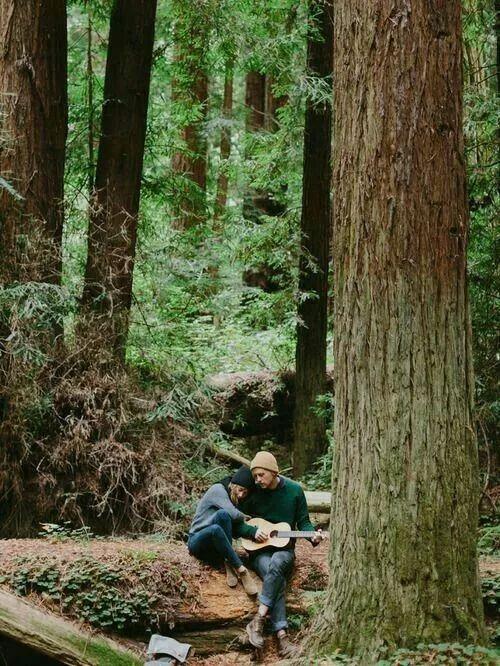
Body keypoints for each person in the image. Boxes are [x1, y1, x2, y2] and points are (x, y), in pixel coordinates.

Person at [240, 451, 322, 658]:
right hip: (258, 552)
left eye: (261, 475)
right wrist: (252, 532)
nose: (257, 480)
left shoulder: (294, 491)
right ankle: (283, 637)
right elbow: (239, 523)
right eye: (255, 476)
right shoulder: (253, 492)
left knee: (276, 564)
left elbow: (303, 522)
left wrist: (312, 536)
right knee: (272, 572)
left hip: (284, 550)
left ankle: (258, 619)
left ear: (273, 472)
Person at [187, 465, 258, 595]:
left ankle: (227, 562)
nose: (241, 495)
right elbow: (235, 515)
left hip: (216, 547)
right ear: (233, 485)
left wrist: (253, 531)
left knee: (222, 515)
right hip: (197, 541)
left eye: (245, 493)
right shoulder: (218, 490)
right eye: (241, 490)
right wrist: (246, 517)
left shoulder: (233, 496)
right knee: (217, 526)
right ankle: (241, 569)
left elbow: (234, 526)